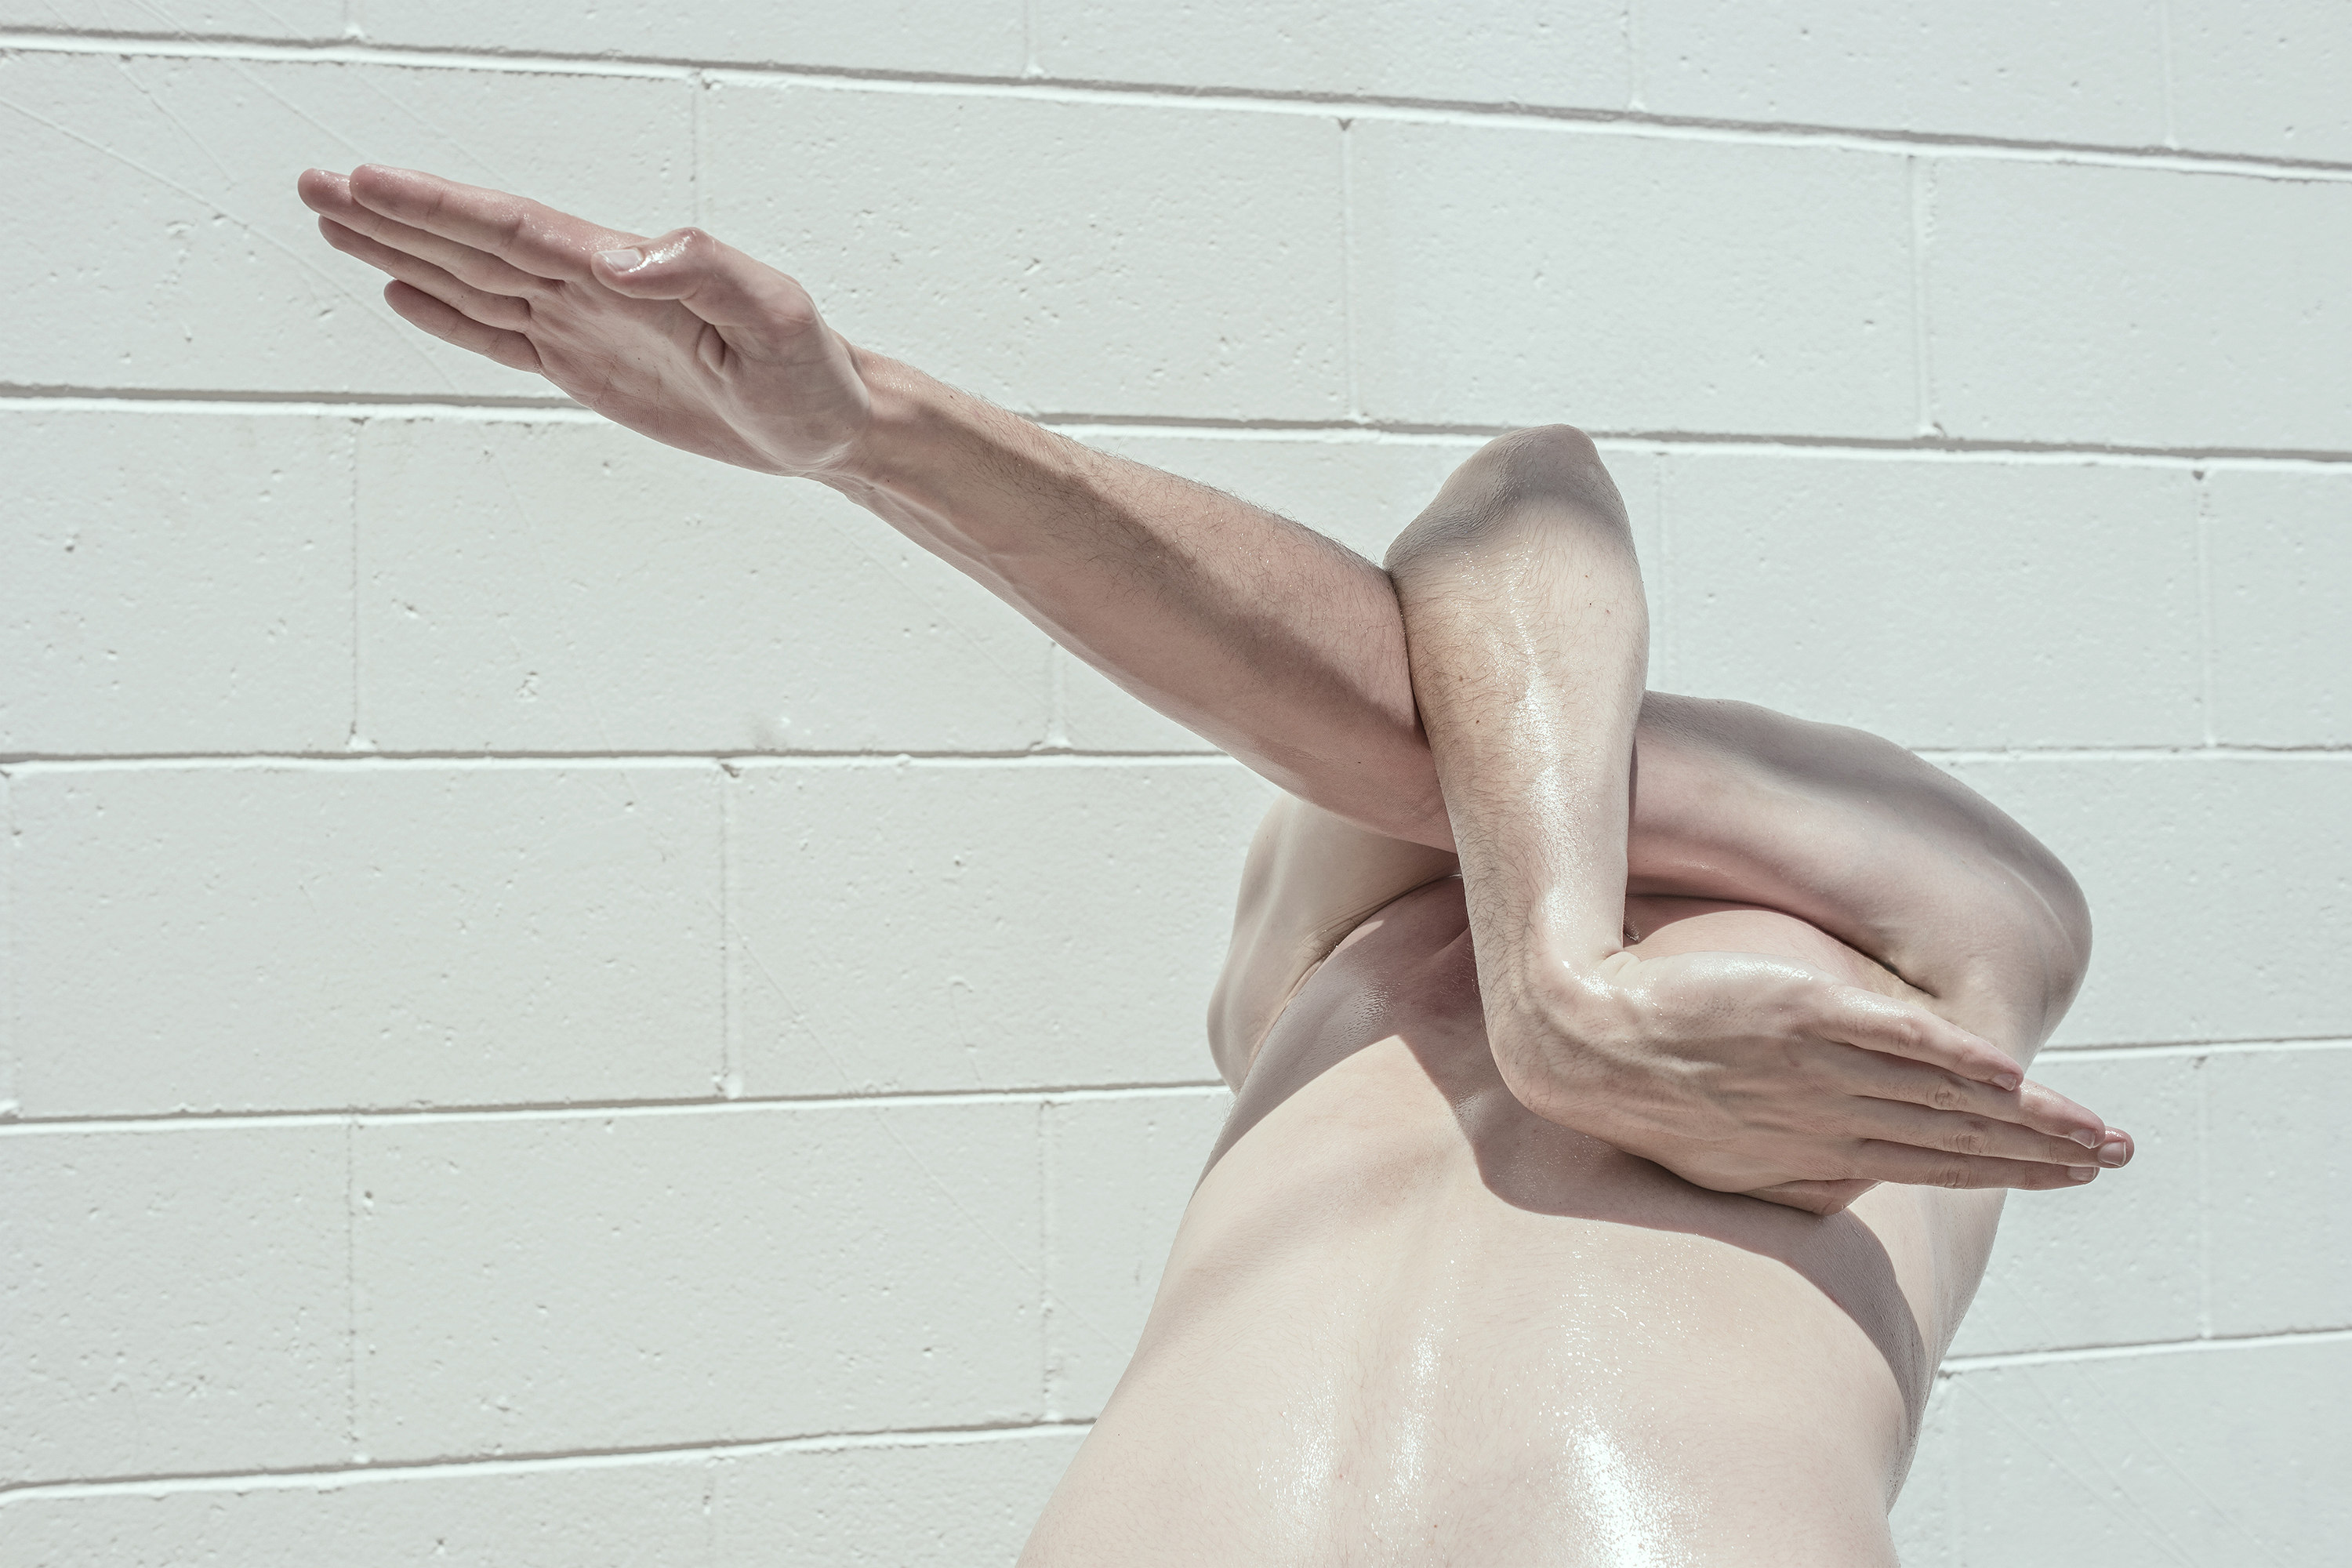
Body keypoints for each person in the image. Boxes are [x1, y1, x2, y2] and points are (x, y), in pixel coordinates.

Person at [298, 165, 2135, 1563]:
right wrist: (863, 433)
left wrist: (884, 437)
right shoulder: (1341, 894)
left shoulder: (1978, 930)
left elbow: (1497, 568)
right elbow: (1514, 522)